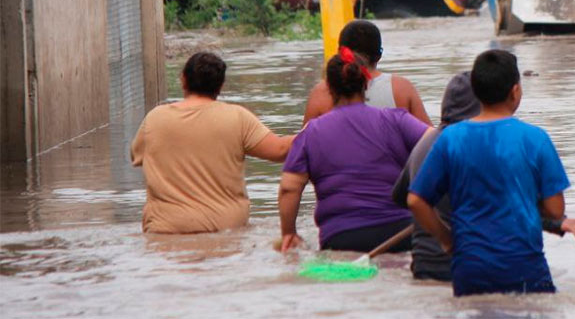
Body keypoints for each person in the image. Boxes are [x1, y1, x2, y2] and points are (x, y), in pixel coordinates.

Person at [407, 50, 575, 296]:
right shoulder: (535, 139)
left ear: (477, 93)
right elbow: (554, 210)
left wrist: (446, 239)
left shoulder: (450, 139)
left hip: (469, 270)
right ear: (515, 91)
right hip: (524, 267)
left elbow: (416, 200)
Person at [278, 48, 431, 253]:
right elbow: (439, 145)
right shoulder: (396, 120)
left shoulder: (310, 133)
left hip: (341, 239)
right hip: (400, 235)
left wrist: (289, 233)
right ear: (366, 83)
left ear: (328, 88)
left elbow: (289, 188)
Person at [131, 52, 293, 234]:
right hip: (226, 229)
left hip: (166, 230)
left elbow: (136, 156)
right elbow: (280, 150)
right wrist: (320, 126)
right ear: (221, 86)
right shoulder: (237, 117)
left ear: (183, 79)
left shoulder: (155, 119)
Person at [303, 20, 430, 126]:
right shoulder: (401, 88)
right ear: (379, 55)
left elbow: (302, 146)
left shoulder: (321, 91)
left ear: (340, 53)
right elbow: (431, 141)